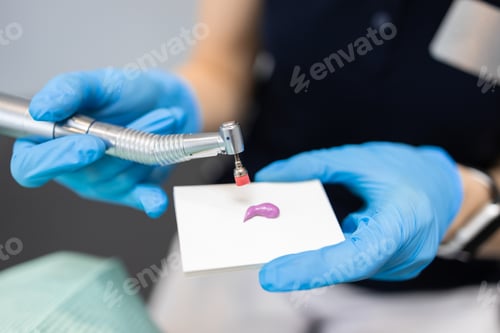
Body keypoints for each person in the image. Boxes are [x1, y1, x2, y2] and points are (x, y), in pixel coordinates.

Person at [9, 0, 500, 332]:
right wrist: (172, 111)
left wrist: (468, 208)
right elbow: (221, 66)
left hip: (449, 294)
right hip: (240, 250)